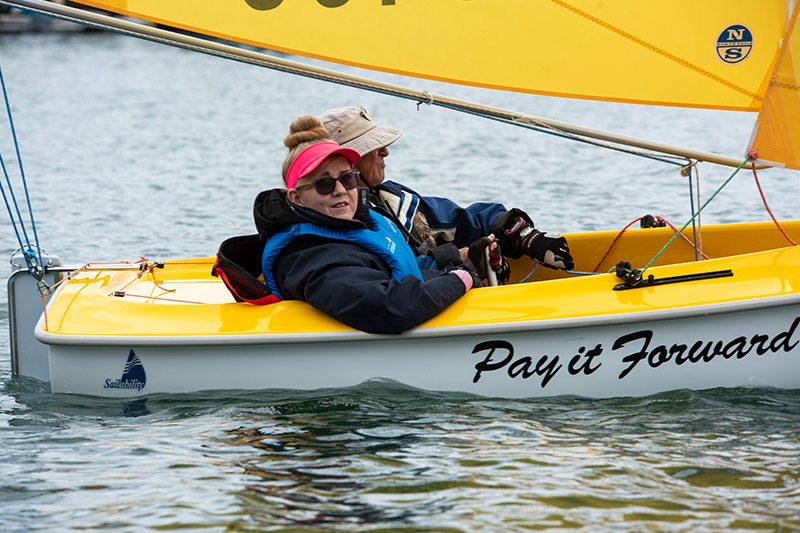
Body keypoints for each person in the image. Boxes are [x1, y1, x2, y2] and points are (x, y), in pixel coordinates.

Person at [253, 115, 504, 334]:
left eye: (347, 179)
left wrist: (455, 267)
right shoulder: (311, 255)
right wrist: (463, 278)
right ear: (296, 198)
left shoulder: (346, 231)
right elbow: (392, 308)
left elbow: (393, 276)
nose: (340, 190)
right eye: (324, 184)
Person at [319, 106, 574, 272]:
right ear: (348, 160)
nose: (385, 151)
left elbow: (461, 221)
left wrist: (523, 234)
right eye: (374, 147)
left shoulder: (390, 198)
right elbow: (384, 275)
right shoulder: (335, 217)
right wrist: (462, 259)